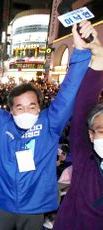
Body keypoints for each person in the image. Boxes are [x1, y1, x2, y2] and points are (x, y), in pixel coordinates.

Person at [0, 21, 94, 230]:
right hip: (3, 203)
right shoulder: (2, 124)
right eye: (20, 107)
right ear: (10, 110)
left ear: (40, 107)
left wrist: (81, 51)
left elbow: (68, 93)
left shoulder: (50, 123)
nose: (26, 111)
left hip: (35, 206)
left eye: (32, 106)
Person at [54, 25, 103, 230]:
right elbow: (82, 108)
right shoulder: (85, 163)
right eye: (101, 130)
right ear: (91, 136)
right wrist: (98, 59)